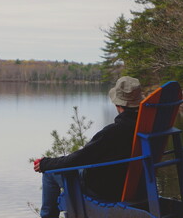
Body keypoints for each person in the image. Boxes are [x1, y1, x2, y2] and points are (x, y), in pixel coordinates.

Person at [33, 76, 144, 218]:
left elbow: (79, 159)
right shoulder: (146, 126)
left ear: (117, 104)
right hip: (135, 184)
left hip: (105, 188)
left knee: (50, 173)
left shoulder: (114, 132)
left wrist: (45, 163)